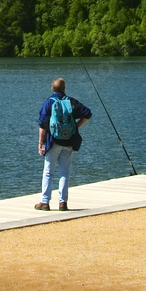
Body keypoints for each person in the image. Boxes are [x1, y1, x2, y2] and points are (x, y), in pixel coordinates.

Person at [35, 77, 91, 212]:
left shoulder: (49, 102)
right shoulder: (71, 102)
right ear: (64, 89)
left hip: (53, 141)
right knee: (64, 172)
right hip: (68, 141)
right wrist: (76, 126)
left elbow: (43, 125)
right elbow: (87, 114)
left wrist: (41, 143)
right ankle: (63, 203)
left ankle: (44, 202)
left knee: (48, 172)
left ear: (52, 89)